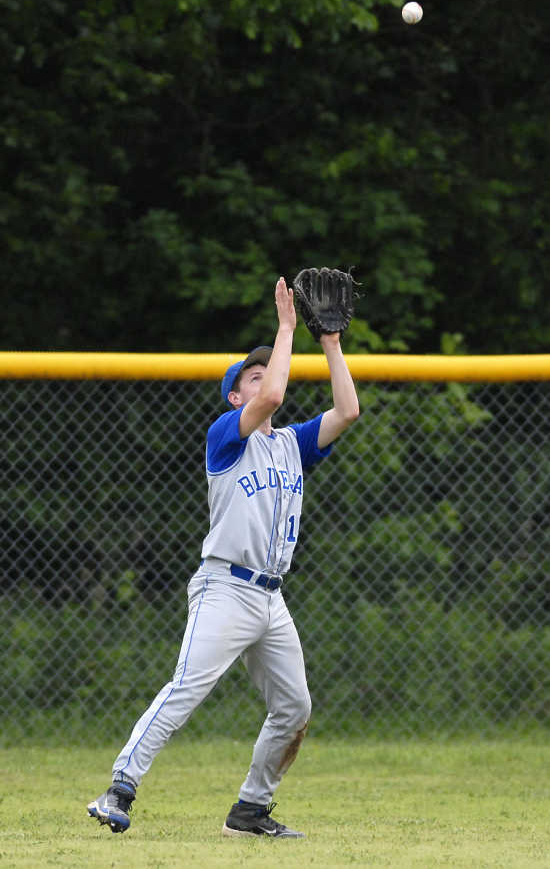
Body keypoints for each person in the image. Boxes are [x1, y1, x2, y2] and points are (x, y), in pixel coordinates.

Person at [87, 276, 360, 838]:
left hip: (271, 598)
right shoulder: (225, 438)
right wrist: (285, 328)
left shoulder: (292, 444)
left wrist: (330, 342)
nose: (265, 378)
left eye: (270, 367)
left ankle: (250, 811)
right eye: (252, 377)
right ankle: (119, 787)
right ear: (237, 398)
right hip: (225, 588)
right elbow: (274, 397)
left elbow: (348, 410)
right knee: (186, 687)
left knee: (294, 708)